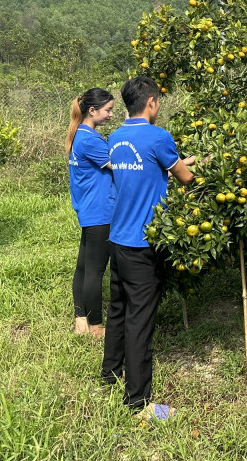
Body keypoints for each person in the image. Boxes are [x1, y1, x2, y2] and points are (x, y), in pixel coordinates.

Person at [101, 76, 196, 419]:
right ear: (152, 102)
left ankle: (110, 374)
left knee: (118, 309)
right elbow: (185, 178)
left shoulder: (115, 137)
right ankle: (137, 403)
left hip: (117, 238)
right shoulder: (159, 136)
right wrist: (191, 167)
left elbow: (144, 174)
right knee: (140, 321)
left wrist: (176, 164)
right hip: (144, 244)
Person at [67, 87, 116, 338]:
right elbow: (122, 167)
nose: (110, 115)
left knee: (85, 268)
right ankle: (96, 327)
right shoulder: (90, 139)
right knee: (95, 272)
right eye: (108, 110)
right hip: (100, 212)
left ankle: (81, 320)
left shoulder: (80, 135)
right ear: (92, 110)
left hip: (89, 210)